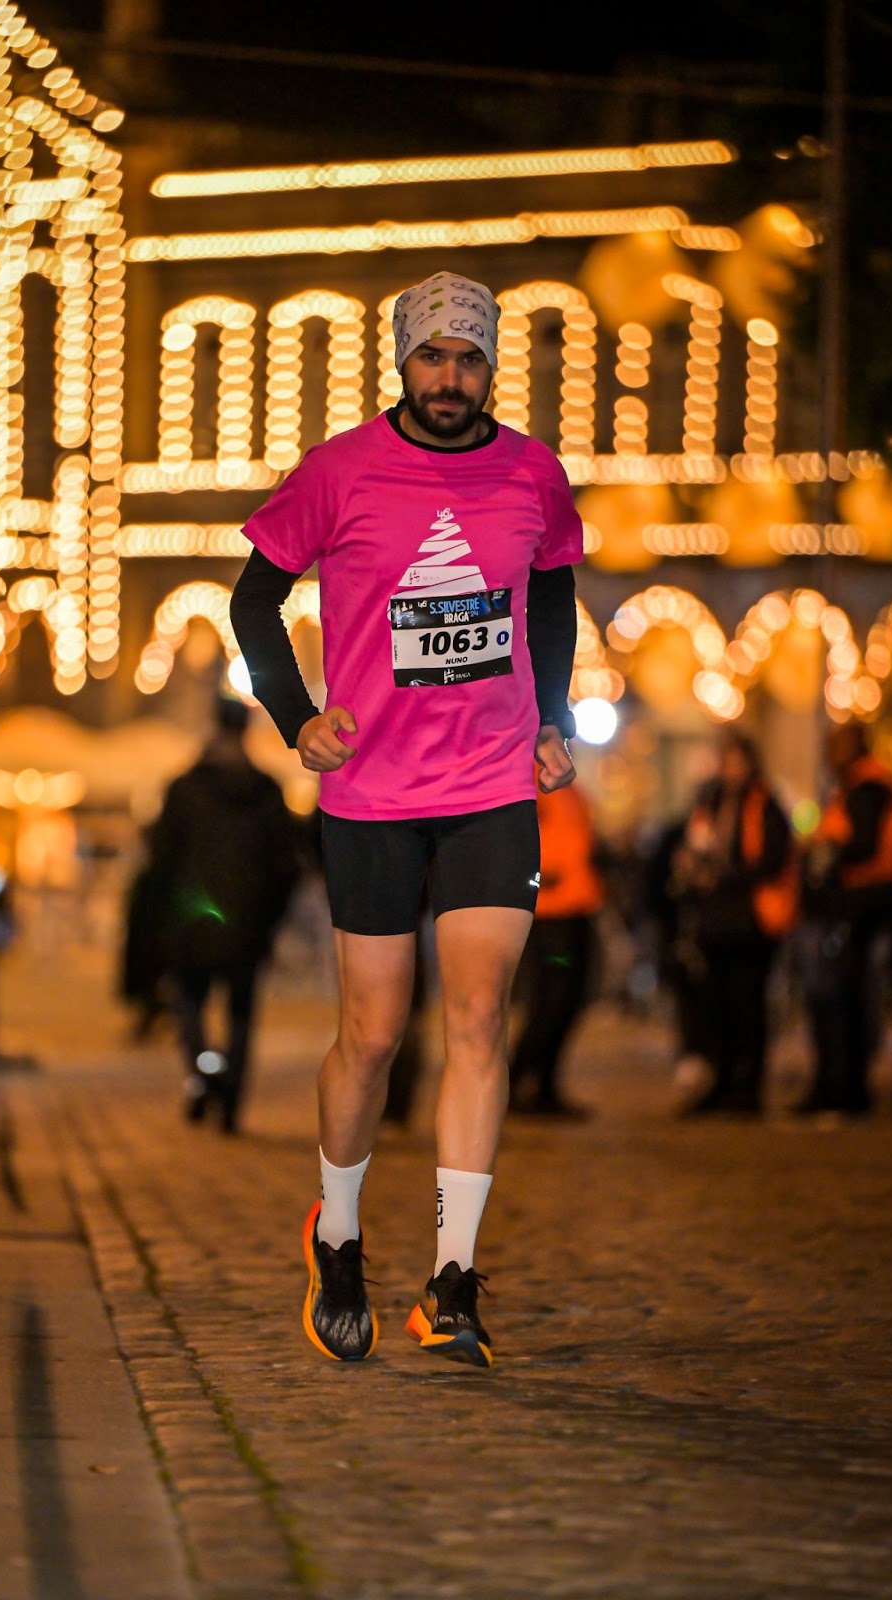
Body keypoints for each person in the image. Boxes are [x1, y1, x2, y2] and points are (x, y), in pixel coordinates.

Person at [230, 268, 584, 1368]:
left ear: (490, 368)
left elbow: (555, 594)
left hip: (489, 785)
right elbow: (252, 598)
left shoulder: (533, 472)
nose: (449, 378)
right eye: (431, 358)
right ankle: (336, 1233)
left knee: (478, 1023)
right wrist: (297, 719)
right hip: (371, 791)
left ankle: (452, 1282)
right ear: (402, 363)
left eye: (468, 359)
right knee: (375, 1036)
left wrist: (554, 717)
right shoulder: (339, 471)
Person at [144, 691, 302, 1132]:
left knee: (190, 1011)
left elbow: (161, 862)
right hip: (247, 926)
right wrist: (268, 915)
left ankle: (204, 1077)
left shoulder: (184, 788)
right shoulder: (268, 791)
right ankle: (229, 1099)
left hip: (192, 924)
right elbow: (286, 866)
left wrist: (163, 917)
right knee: (240, 1016)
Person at [665, 729, 797, 1116]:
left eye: (736, 760)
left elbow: (772, 860)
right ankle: (719, 1083)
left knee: (748, 1007)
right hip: (715, 921)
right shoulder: (710, 801)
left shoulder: (765, 803)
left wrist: (724, 876)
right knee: (715, 1008)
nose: (729, 768)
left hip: (752, 921)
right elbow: (693, 843)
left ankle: (747, 1087)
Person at [797, 720, 892, 1118]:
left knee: (843, 998)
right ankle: (836, 1084)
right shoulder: (856, 787)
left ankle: (844, 1087)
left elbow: (862, 846)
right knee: (837, 998)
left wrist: (827, 852)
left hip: (861, 907)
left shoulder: (868, 789)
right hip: (854, 906)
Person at [507, 769, 605, 1117]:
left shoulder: (564, 783)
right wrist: (538, 877)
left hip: (576, 908)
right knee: (552, 1000)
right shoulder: (526, 779)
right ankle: (515, 1082)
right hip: (552, 915)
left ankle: (543, 1085)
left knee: (568, 999)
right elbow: (513, 838)